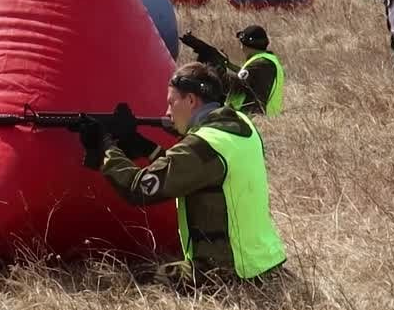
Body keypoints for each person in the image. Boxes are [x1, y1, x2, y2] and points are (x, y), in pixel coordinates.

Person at [75, 62, 287, 290]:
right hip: (264, 263)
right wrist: (146, 148)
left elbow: (138, 189)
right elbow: (195, 171)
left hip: (227, 273)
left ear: (191, 101)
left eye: (171, 102)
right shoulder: (241, 126)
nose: (167, 112)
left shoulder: (204, 144)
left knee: (136, 278)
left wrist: (106, 147)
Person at [225, 26, 284, 117]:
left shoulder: (260, 64)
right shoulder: (268, 60)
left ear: (245, 45)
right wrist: (229, 65)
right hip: (266, 119)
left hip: (256, 120)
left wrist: (215, 72)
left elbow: (238, 84)